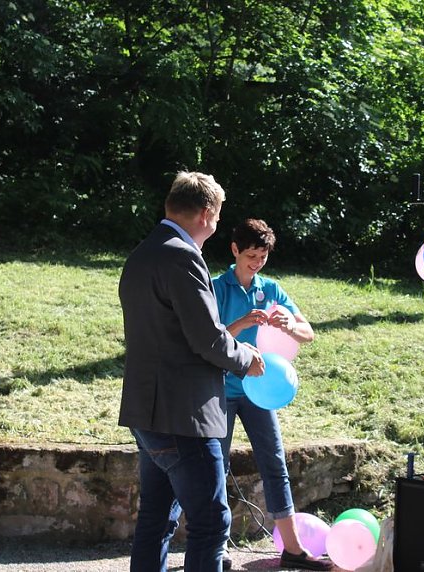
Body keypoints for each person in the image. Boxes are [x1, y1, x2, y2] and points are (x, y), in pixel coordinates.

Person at [118, 172, 266, 572]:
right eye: (217, 217)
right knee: (211, 524)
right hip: (184, 416)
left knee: (156, 520)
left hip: (148, 414)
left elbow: (176, 333)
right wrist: (245, 359)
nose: (217, 225)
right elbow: (206, 339)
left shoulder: (143, 253)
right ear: (205, 213)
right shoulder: (182, 257)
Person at [212, 219, 332, 571]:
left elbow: (307, 333)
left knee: (275, 464)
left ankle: (292, 549)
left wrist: (289, 326)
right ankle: (216, 548)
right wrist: (242, 324)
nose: (257, 262)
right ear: (235, 250)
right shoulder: (217, 288)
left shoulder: (272, 288)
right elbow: (207, 337)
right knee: (215, 467)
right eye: (251, 255)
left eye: (263, 256)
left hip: (261, 391)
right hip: (221, 389)